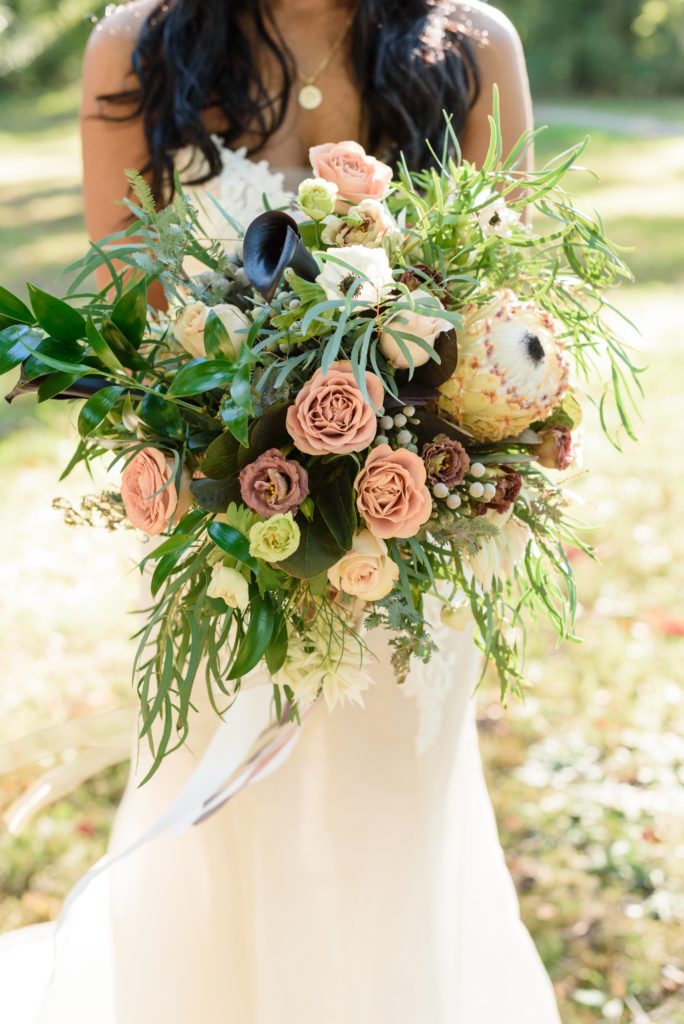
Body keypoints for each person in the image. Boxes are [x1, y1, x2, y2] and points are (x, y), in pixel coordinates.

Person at [0, 2, 561, 1021]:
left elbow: (511, 313)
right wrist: (256, 458)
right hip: (221, 532)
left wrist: (414, 469)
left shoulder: (477, 47)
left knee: (390, 819)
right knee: (220, 821)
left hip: (414, 541)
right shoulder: (135, 50)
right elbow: (130, 323)